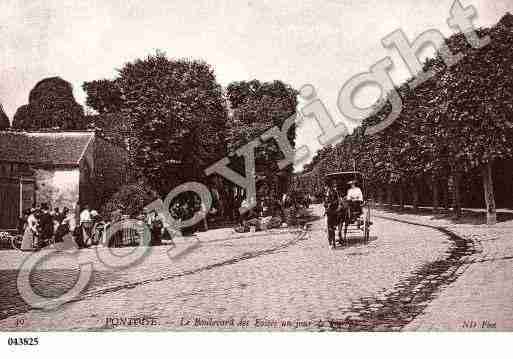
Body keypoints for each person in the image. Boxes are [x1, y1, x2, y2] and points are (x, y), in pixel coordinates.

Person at [323, 180, 340, 248]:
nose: (326, 188)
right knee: (329, 228)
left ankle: (333, 242)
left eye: (326, 186)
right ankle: (331, 243)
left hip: (334, 211)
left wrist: (332, 204)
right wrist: (326, 205)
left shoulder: (335, 192)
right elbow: (325, 202)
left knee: (332, 227)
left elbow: (337, 201)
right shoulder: (326, 193)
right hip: (329, 212)